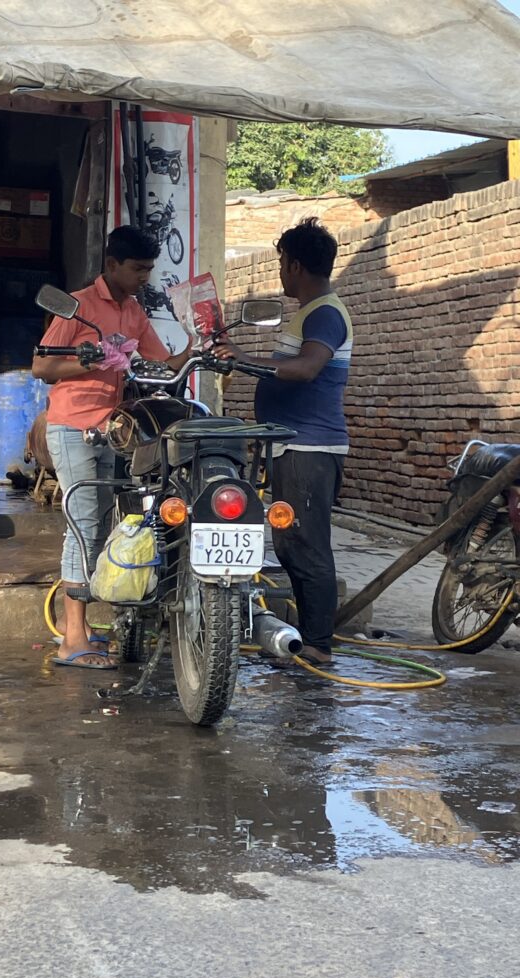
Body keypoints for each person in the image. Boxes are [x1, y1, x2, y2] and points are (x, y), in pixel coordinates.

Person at [32, 226, 189, 670]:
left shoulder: (134, 311)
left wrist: (198, 343)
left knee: (107, 524)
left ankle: (81, 628)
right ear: (113, 265)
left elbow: (162, 364)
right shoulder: (78, 306)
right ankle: (72, 641)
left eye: (149, 270)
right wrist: (87, 360)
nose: (144, 276)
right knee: (82, 525)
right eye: (138, 268)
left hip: (114, 428)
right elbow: (41, 366)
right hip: (71, 427)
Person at [215, 217, 352, 666]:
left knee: (307, 544)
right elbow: (287, 367)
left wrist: (245, 359)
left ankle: (318, 647)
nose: (280, 271)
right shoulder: (312, 312)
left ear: (294, 264)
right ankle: (312, 639)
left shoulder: (326, 313)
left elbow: (307, 368)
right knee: (291, 542)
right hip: (291, 445)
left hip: (310, 448)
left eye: (280, 262)